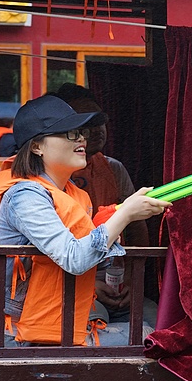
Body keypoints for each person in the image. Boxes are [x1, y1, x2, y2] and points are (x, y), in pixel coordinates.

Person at [0, 95, 168, 346]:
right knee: (153, 338)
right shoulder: (25, 195)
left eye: (81, 132)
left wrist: (118, 214)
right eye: (69, 133)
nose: (82, 138)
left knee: (157, 326)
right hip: (22, 335)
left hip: (59, 322)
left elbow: (95, 262)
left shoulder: (69, 193)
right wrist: (125, 215)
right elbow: (75, 259)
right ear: (37, 146)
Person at [56, 83, 155, 338]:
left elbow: (136, 227)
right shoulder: (50, 176)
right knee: (92, 327)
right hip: (69, 284)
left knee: (158, 322)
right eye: (86, 122)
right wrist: (91, 287)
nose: (97, 129)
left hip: (115, 278)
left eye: (100, 120)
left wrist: (132, 280)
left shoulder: (113, 169)